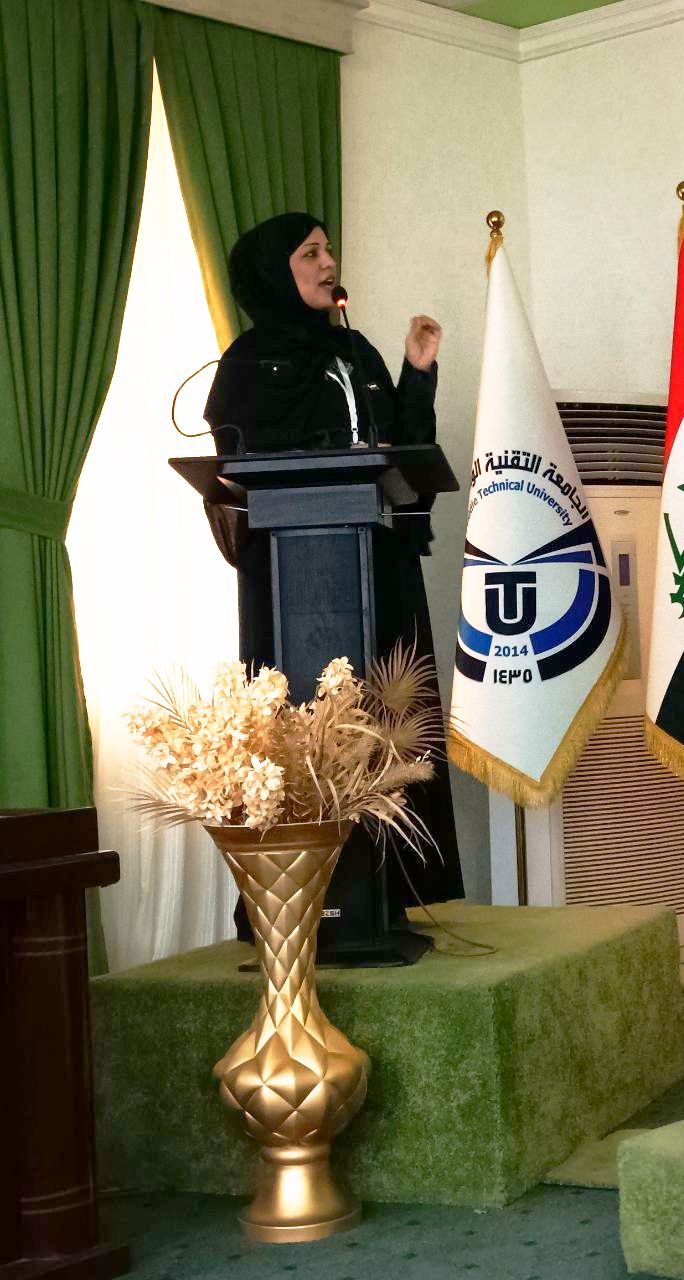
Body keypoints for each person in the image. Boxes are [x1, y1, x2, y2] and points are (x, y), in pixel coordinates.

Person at [203, 212, 463, 942]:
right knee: (304, 728)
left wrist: (416, 373)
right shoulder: (248, 362)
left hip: (375, 570)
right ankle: (299, 903)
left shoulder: (354, 350)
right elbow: (233, 470)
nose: (328, 263)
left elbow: (403, 450)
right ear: (272, 273)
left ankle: (388, 897)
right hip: (295, 584)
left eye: (328, 250)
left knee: (388, 721)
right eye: (309, 253)